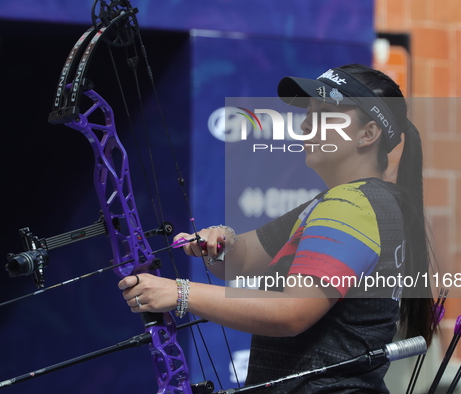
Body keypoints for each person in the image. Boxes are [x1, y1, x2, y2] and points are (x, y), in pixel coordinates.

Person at [118, 64, 435, 393]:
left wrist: (180, 293)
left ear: (368, 134)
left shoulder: (352, 205)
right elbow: (240, 260)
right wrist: (221, 242)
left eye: (325, 113)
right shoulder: (349, 201)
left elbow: (291, 313)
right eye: (309, 112)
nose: (307, 124)